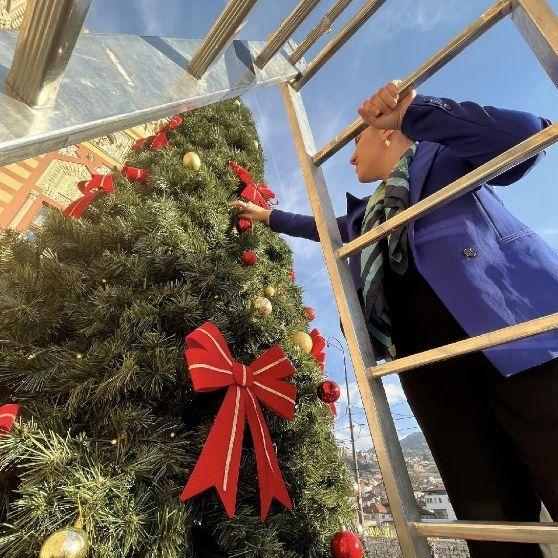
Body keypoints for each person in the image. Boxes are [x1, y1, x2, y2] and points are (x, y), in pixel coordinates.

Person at [229, 81, 558, 558]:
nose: (347, 156)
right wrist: (269, 216)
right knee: (491, 522)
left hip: (521, 345)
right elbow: (317, 228)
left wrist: (414, 112)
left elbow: (525, 137)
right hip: (435, 377)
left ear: (385, 134)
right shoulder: (364, 219)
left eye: (356, 141)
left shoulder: (441, 158)